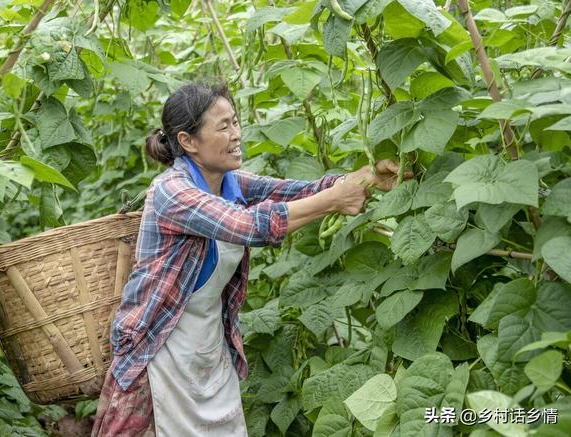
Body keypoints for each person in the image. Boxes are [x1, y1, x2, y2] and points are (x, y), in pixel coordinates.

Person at [91, 83, 407, 436]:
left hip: (209, 349)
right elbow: (251, 226)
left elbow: (300, 191)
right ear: (188, 141)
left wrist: (364, 177)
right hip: (161, 351)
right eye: (223, 126)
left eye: (236, 122)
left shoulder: (230, 181)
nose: (236, 134)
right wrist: (335, 201)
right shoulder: (172, 191)